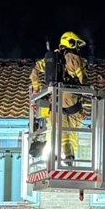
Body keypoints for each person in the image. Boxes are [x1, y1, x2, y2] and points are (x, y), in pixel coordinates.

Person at [29, 31, 89, 161]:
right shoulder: (74, 59)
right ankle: (69, 157)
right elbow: (83, 83)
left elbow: (34, 70)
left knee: (55, 130)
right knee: (71, 134)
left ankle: (53, 158)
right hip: (71, 103)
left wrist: (36, 87)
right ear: (71, 43)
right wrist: (86, 102)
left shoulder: (51, 59)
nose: (78, 48)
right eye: (77, 45)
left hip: (54, 102)